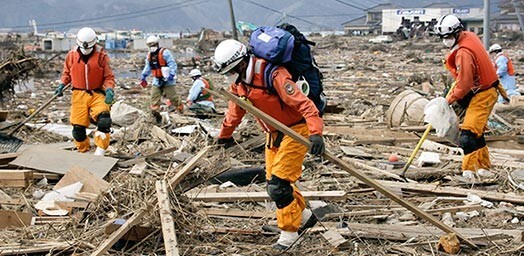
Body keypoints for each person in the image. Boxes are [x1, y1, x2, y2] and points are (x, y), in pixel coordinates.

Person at [213, 39, 325, 250]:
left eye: (232, 69)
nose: (231, 75)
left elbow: (304, 104)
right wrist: (224, 136)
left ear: (243, 62)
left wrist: (316, 133)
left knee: (279, 186)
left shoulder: (273, 75)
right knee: (275, 183)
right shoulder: (239, 84)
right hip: (273, 135)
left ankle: (289, 234)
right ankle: (305, 216)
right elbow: (234, 112)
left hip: (296, 131)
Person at [434, 15, 508, 179]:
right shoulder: (469, 37)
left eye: (448, 37)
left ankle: (469, 170)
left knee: (467, 134)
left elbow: (465, 82)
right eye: (443, 38)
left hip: (483, 94)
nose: (445, 41)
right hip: (487, 89)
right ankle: (483, 168)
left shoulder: (463, 53)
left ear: (457, 33)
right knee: (477, 132)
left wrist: (448, 100)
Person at [55, 27, 115, 156]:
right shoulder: (71, 56)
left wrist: (109, 89)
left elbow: (108, 76)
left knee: (104, 120)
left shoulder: (101, 56)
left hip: (97, 93)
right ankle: (84, 151)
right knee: (78, 130)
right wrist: (61, 85)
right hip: (79, 95)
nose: (86, 51)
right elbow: (66, 74)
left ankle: (100, 151)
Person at [140, 35, 180, 115]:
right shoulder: (149, 55)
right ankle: (155, 114)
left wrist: (172, 74)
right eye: (150, 45)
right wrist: (143, 76)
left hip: (168, 79)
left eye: (153, 45)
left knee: (173, 98)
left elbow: (172, 64)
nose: (152, 47)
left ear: (157, 44)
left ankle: (181, 111)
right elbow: (148, 67)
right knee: (154, 98)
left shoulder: (165, 52)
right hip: (157, 80)